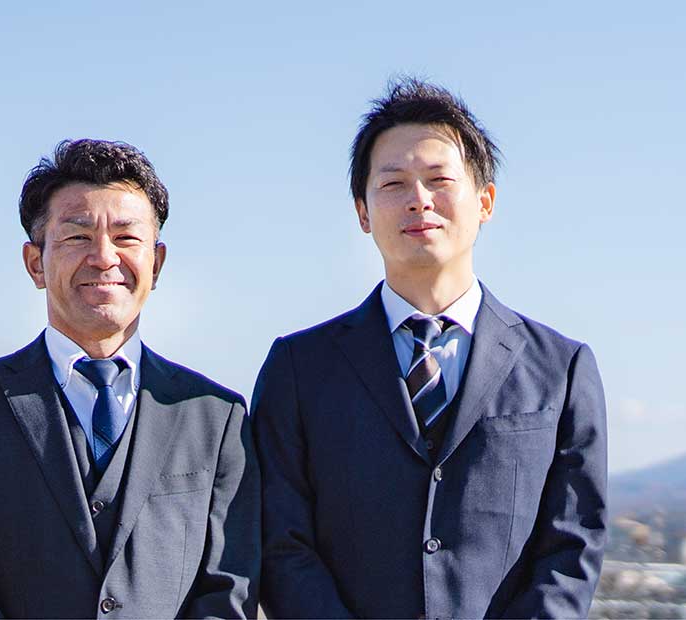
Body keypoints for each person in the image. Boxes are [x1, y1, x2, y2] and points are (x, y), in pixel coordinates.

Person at [254, 79, 608, 618]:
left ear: (485, 201)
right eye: (393, 183)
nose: (419, 199)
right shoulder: (298, 369)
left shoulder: (562, 369)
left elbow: (572, 546)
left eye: (439, 180)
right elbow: (281, 543)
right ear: (362, 212)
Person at [0, 139, 258, 618]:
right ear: (35, 263)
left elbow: (228, 591)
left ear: (157, 263)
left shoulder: (217, 417)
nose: (103, 257)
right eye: (77, 237)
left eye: (126, 238)